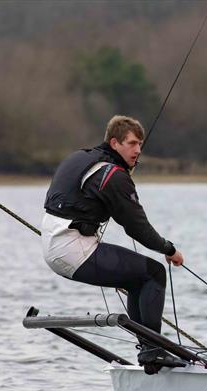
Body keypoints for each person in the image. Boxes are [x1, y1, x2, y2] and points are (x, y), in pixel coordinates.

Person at [41, 115, 184, 375]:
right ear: (115, 142)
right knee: (154, 273)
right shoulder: (112, 175)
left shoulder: (80, 158)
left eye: (140, 144)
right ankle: (153, 351)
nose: (138, 150)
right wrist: (169, 249)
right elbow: (137, 228)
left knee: (135, 280)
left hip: (53, 246)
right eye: (132, 144)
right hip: (75, 250)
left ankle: (149, 351)